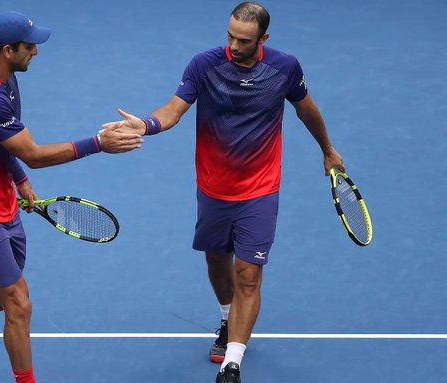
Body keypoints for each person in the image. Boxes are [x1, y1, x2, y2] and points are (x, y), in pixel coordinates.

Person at [105, 2, 344, 382]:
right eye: (230, 35)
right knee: (217, 262)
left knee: (248, 274)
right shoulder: (204, 65)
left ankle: (233, 361)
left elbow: (307, 111)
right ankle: (225, 319)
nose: (233, 44)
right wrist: (146, 125)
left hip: (260, 189)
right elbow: (173, 110)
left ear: (263, 39)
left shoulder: (284, 68)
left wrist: (328, 150)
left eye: (244, 40)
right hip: (213, 188)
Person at [0, 11, 143, 383]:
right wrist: (99, 144)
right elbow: (34, 154)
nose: (36, 52)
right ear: (8, 51)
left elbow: (5, 145)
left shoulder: (5, 80)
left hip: (3, 202)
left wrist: (18, 180)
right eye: (30, 46)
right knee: (19, 303)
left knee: (1, 292)